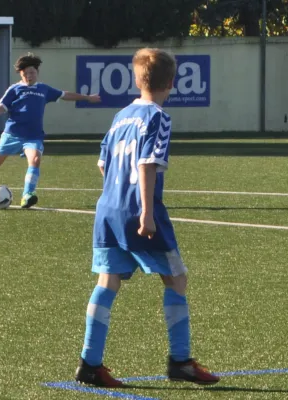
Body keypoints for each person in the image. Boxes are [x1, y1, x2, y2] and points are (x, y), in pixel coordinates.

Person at [74, 48, 220, 388]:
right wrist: (146, 213)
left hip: (107, 210)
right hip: (137, 210)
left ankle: (89, 364)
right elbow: (146, 164)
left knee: (107, 282)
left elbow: (101, 163)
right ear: (171, 82)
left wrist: (118, 195)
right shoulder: (158, 117)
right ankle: (180, 361)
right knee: (176, 279)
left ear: (137, 79)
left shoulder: (121, 115)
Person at [0, 53, 101, 208]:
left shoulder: (44, 89)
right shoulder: (15, 89)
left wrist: (86, 98)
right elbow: (2, 107)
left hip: (34, 136)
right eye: (25, 74)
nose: (29, 76)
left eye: (32, 73)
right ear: (20, 74)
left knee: (35, 160)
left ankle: (27, 195)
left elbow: (65, 95)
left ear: (37, 72)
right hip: (12, 134)